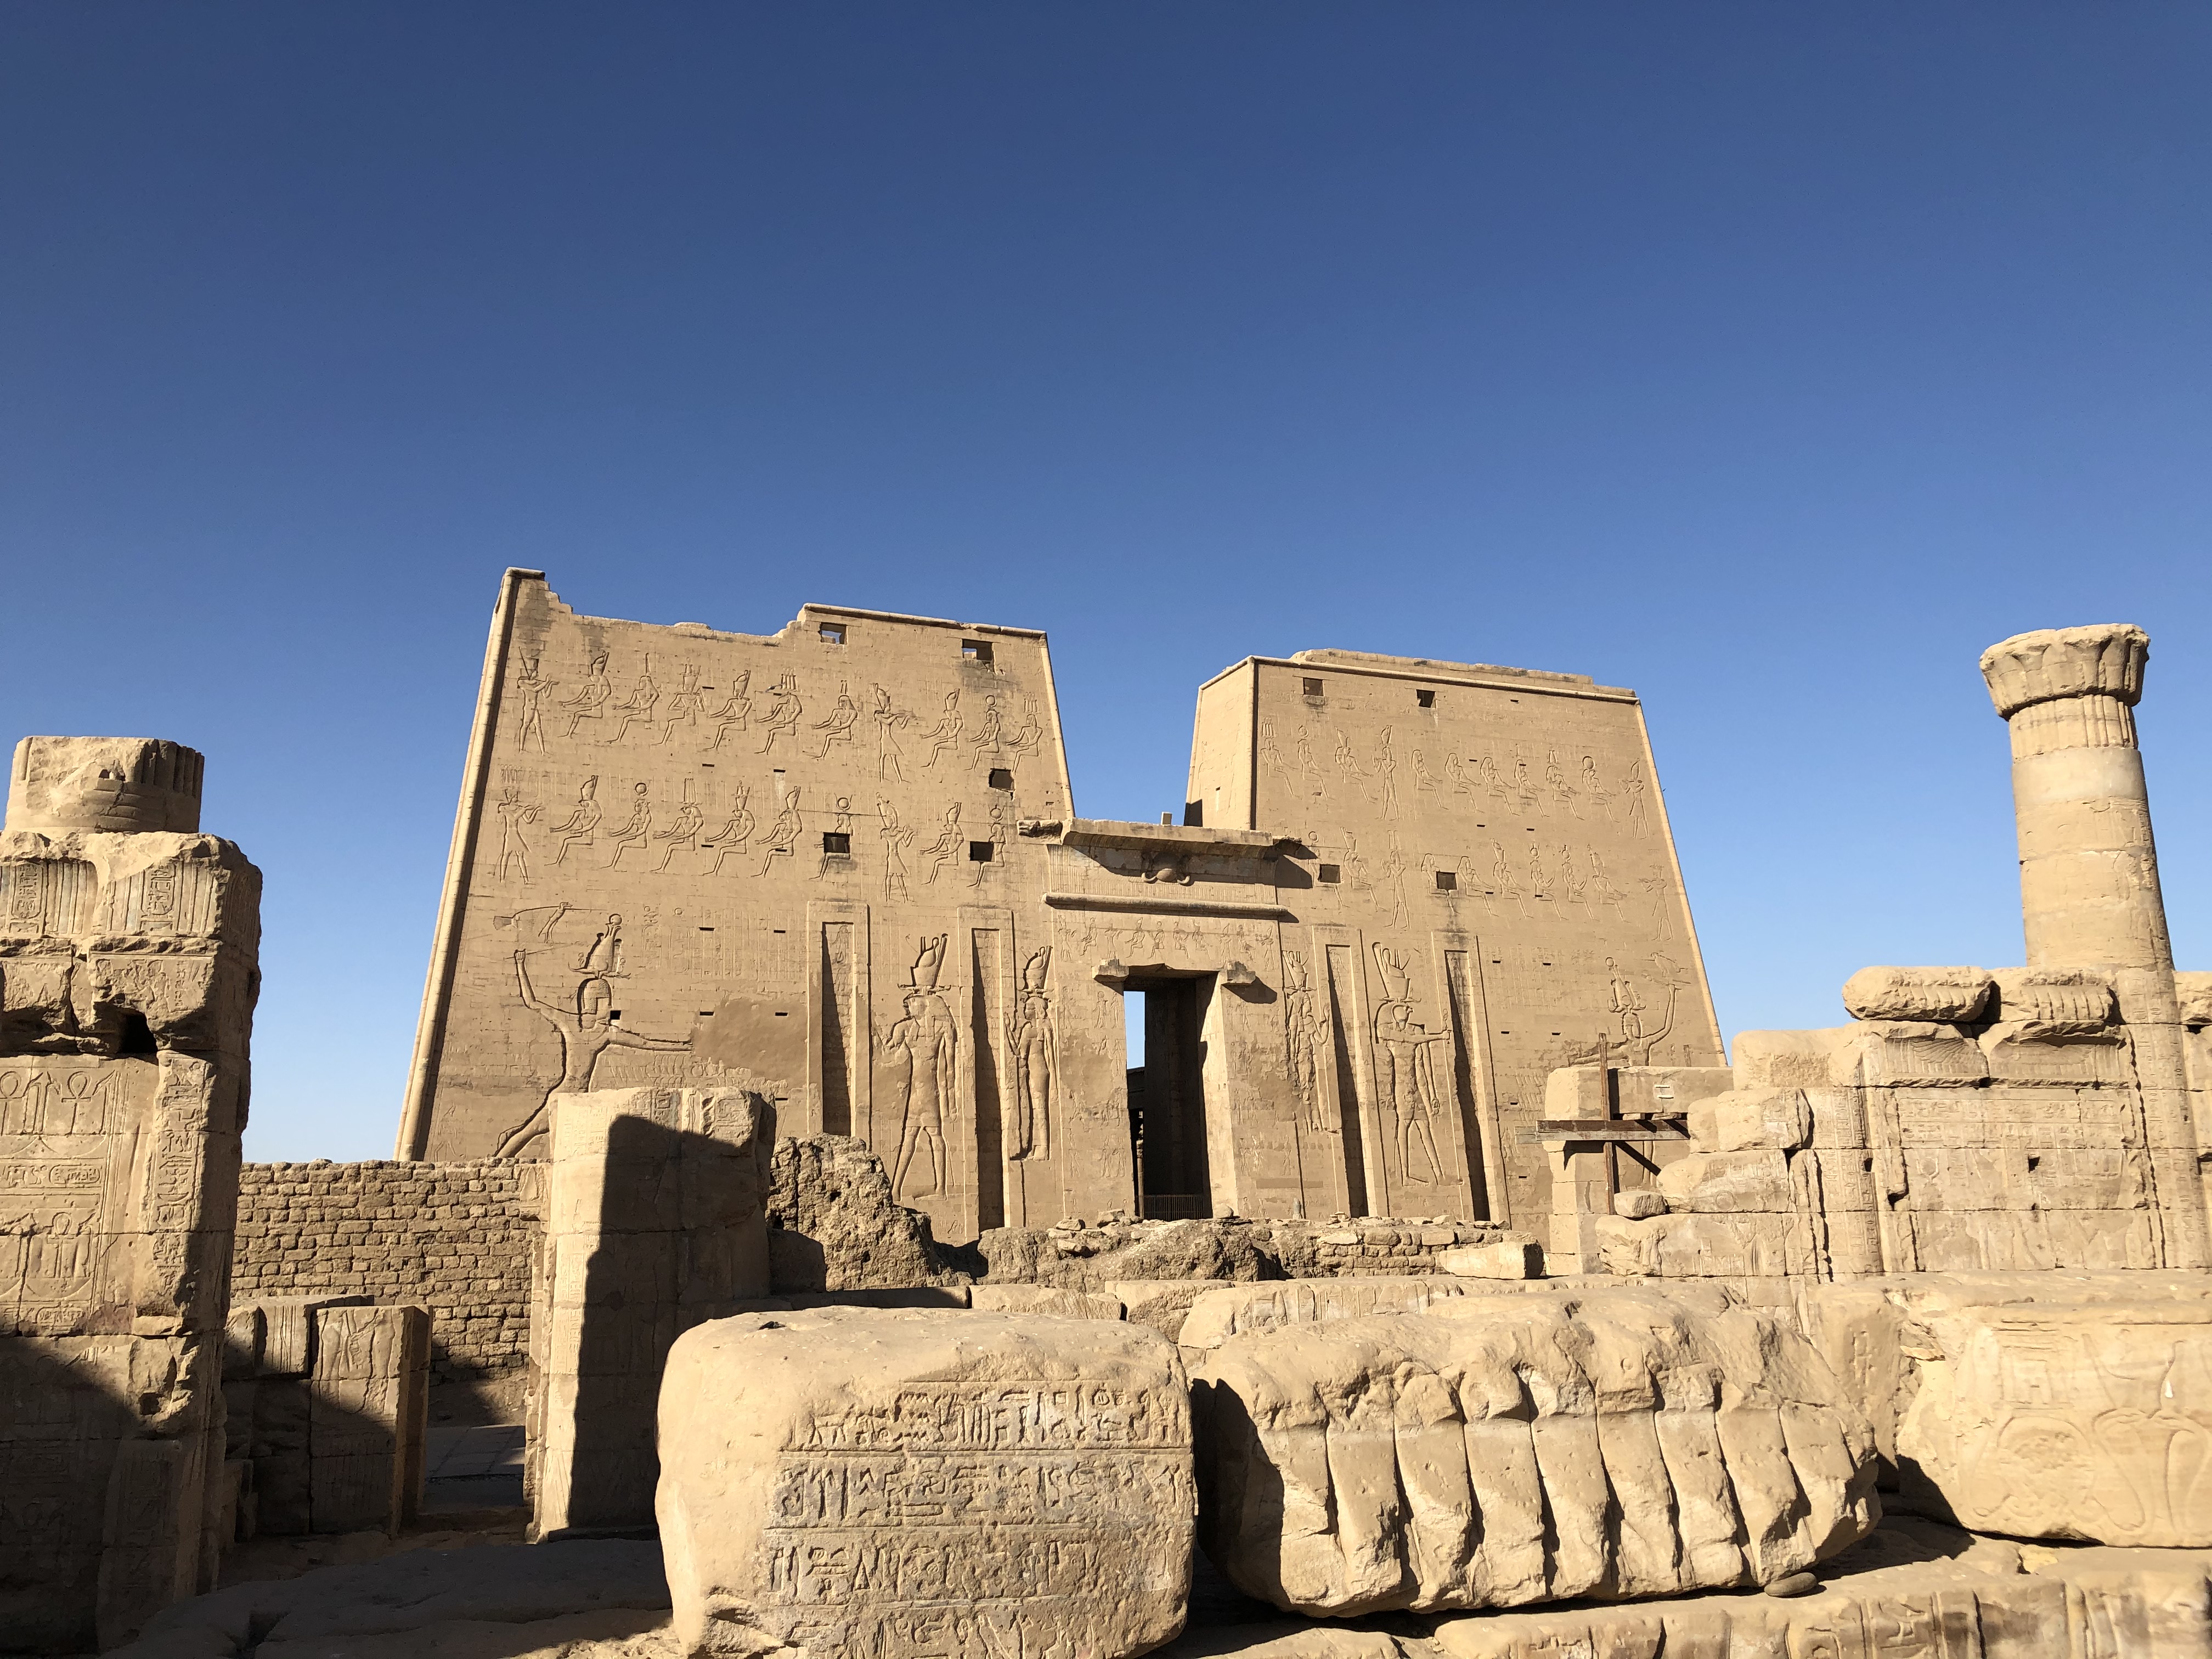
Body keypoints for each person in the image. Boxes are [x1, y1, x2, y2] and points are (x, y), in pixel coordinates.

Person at [494, 949, 689, 1156]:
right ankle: (497, 1161)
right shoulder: (571, 1026)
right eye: (608, 1006)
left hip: (580, 1097)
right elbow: (532, 1003)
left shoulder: (605, 1034)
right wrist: (521, 967)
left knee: (552, 1138)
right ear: (593, 1009)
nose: (613, 1010)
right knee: (530, 1133)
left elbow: (646, 1043)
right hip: (564, 1095)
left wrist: (683, 1047)